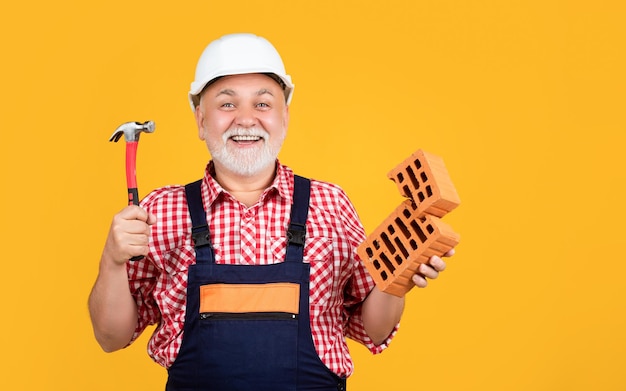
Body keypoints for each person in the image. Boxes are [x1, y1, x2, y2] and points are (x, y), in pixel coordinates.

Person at [88, 33, 454, 391]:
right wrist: (112, 259)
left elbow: (372, 329)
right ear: (201, 120)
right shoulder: (160, 211)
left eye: (262, 104)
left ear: (285, 117)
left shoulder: (330, 204)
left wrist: (401, 274)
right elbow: (111, 337)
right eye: (227, 104)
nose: (246, 119)